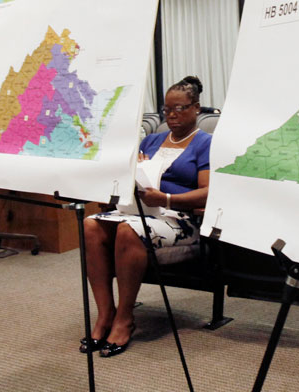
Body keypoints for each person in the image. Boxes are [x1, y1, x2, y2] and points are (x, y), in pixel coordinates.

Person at [82, 75, 211, 357]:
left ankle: (124, 318)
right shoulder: (151, 141)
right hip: (140, 212)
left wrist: (165, 198)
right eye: (167, 109)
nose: (172, 115)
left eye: (180, 108)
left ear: (196, 108)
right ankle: (105, 314)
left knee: (130, 231)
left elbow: (208, 193)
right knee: (90, 224)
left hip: (182, 219)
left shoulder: (205, 143)